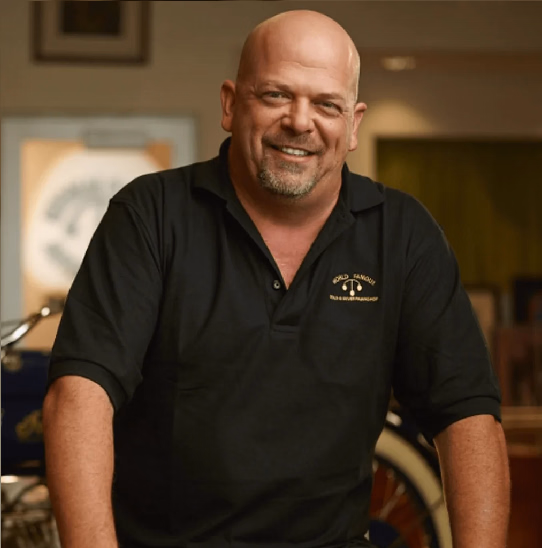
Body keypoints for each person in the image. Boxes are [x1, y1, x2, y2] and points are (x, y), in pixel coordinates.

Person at [42, 10, 510, 548]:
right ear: (230, 104)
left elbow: (468, 417)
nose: (300, 121)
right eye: (275, 95)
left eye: (327, 104)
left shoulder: (403, 234)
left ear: (353, 124)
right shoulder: (151, 216)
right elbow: (79, 396)